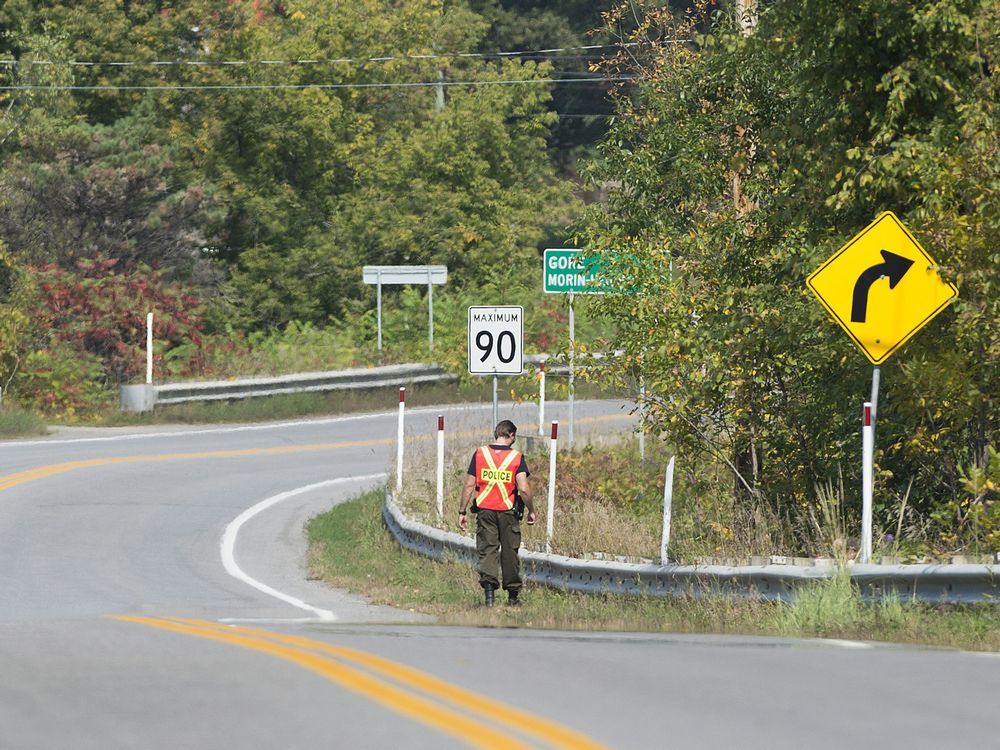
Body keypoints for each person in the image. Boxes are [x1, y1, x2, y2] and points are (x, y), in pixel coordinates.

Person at [458, 419, 535, 607]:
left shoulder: (480, 454)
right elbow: (523, 489)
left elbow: (469, 484)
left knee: (488, 551)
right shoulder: (517, 457)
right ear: (511, 435)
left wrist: (462, 511)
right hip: (508, 511)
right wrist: (531, 510)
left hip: (485, 511)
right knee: (510, 553)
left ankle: (489, 598)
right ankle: (512, 598)